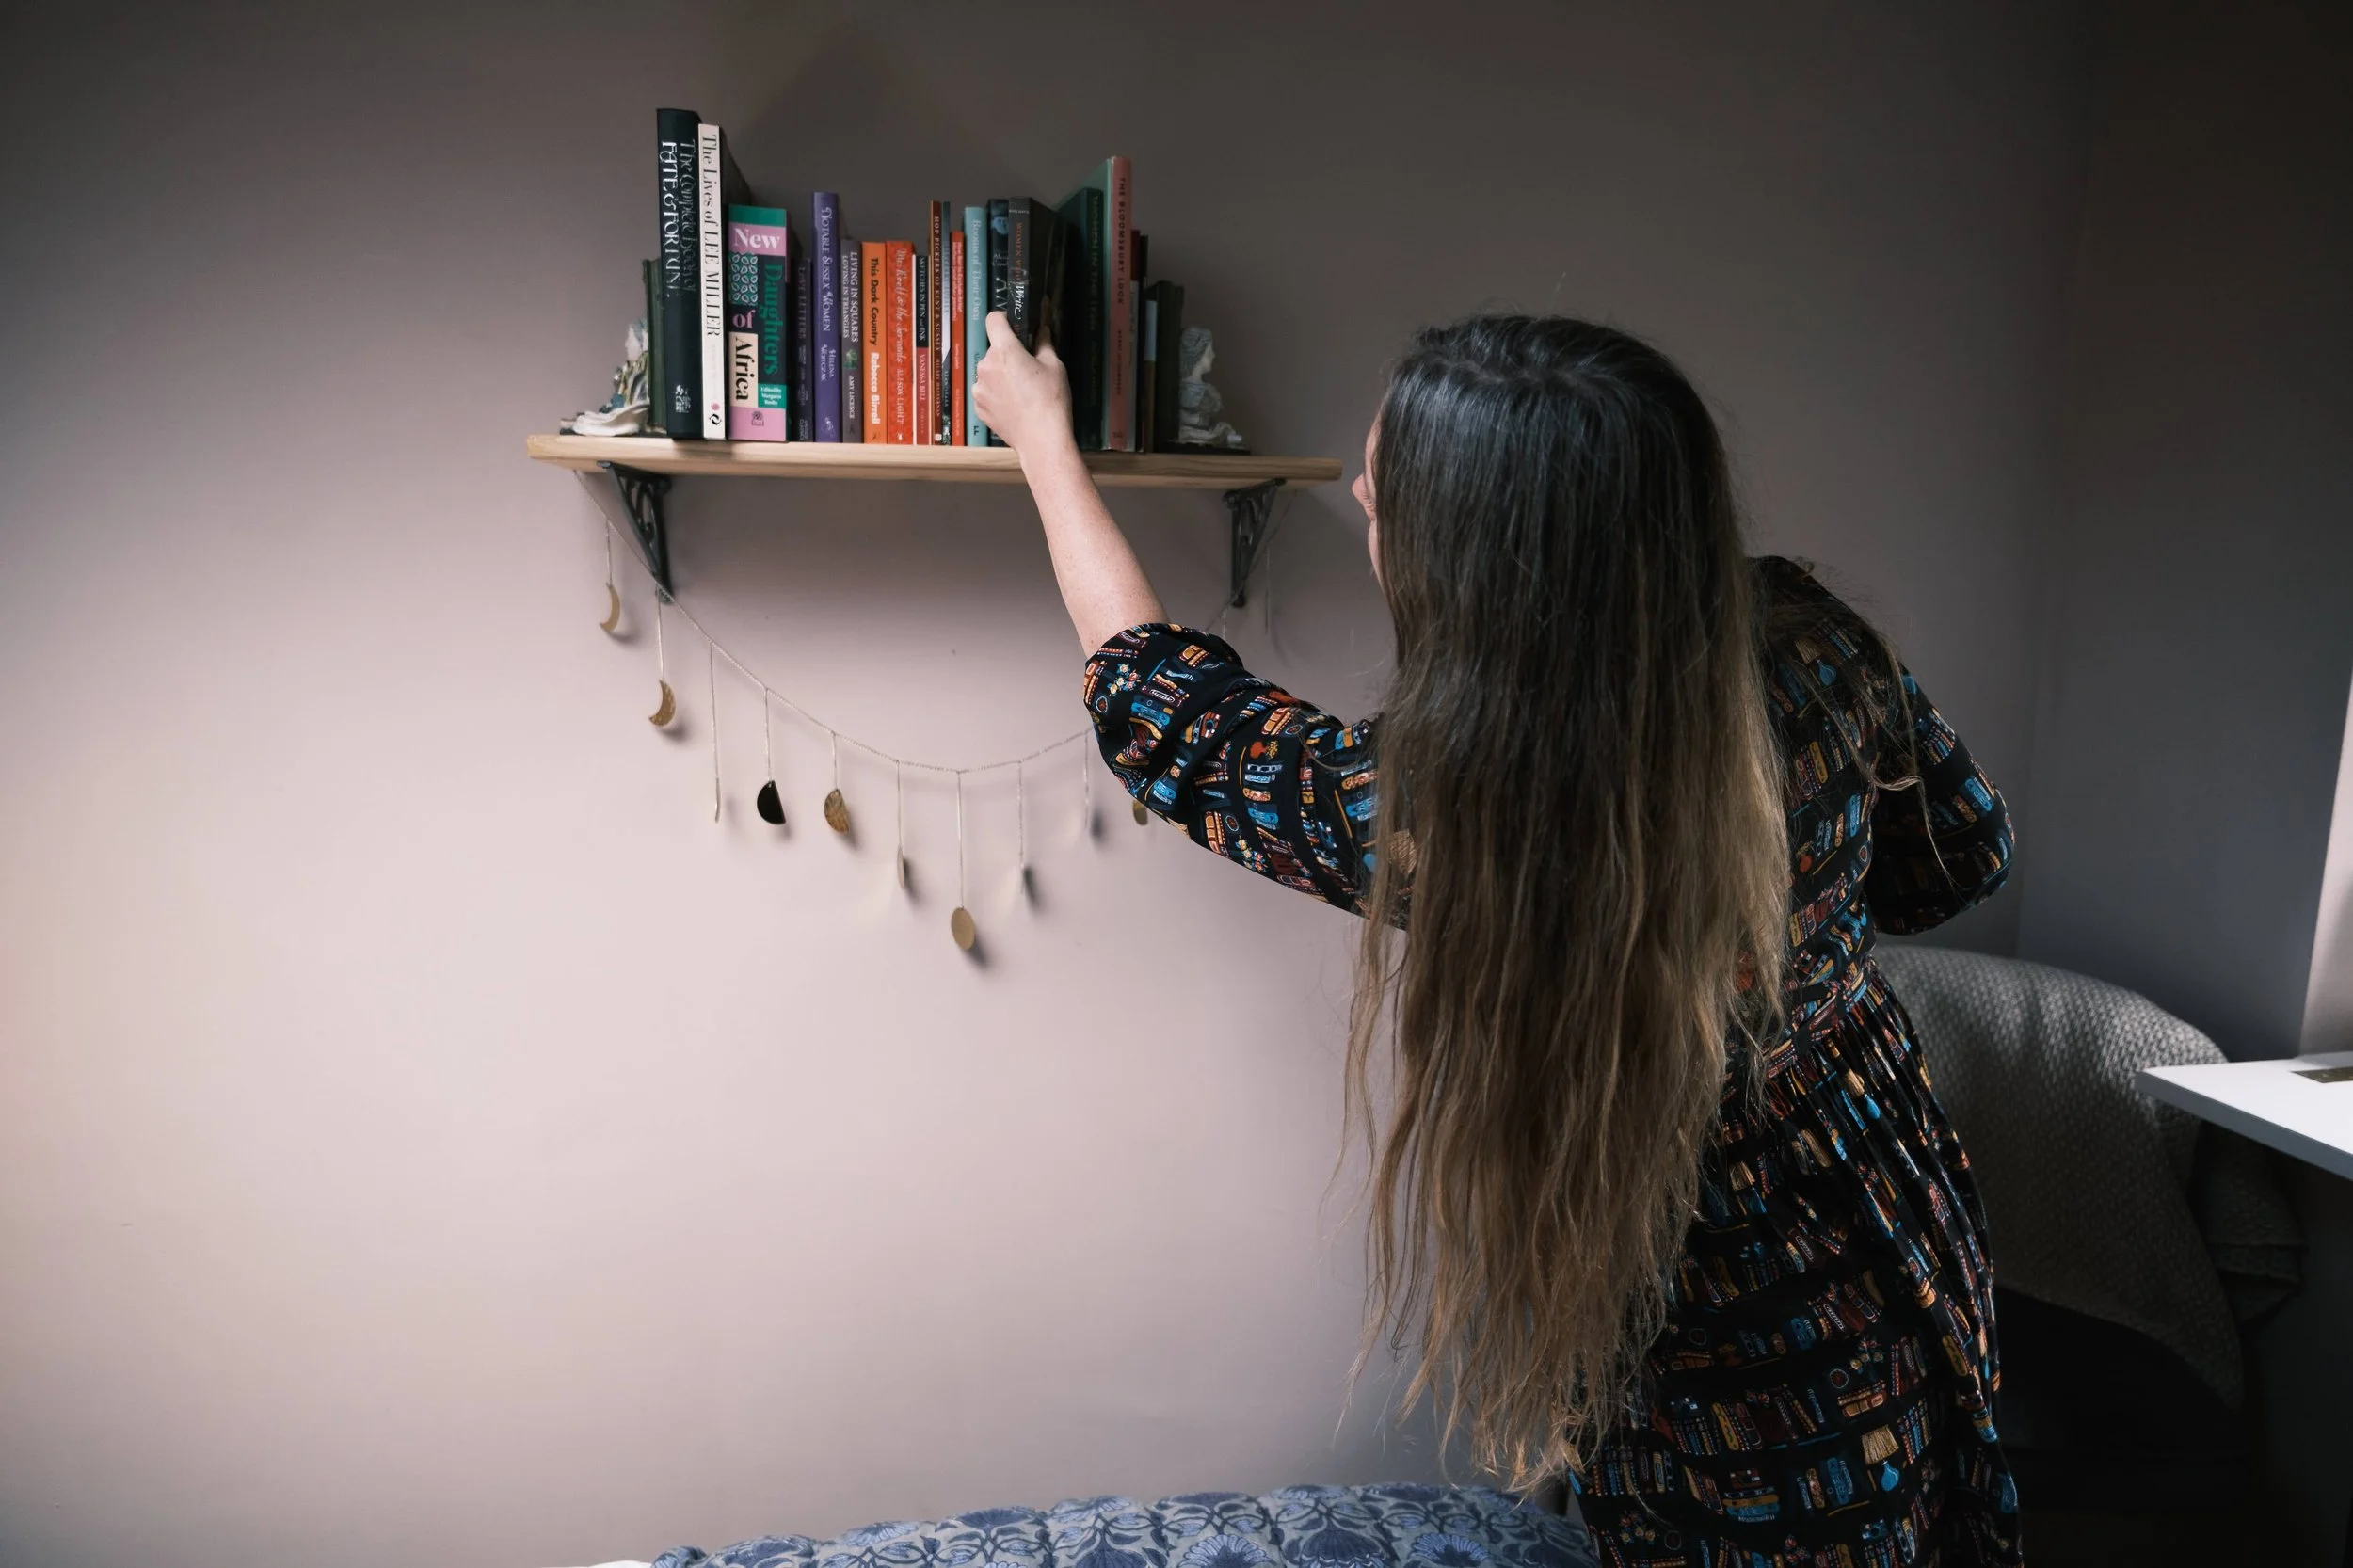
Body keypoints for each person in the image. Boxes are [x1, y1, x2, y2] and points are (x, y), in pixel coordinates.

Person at [971, 312, 2020, 1568]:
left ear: (1484, 566)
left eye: (1387, 488)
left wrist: (1040, 435)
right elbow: (1962, 857)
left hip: (1739, 1345)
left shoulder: (1473, 813)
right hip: (1895, 1208)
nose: (1363, 489)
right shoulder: (1814, 645)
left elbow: (1174, 712)